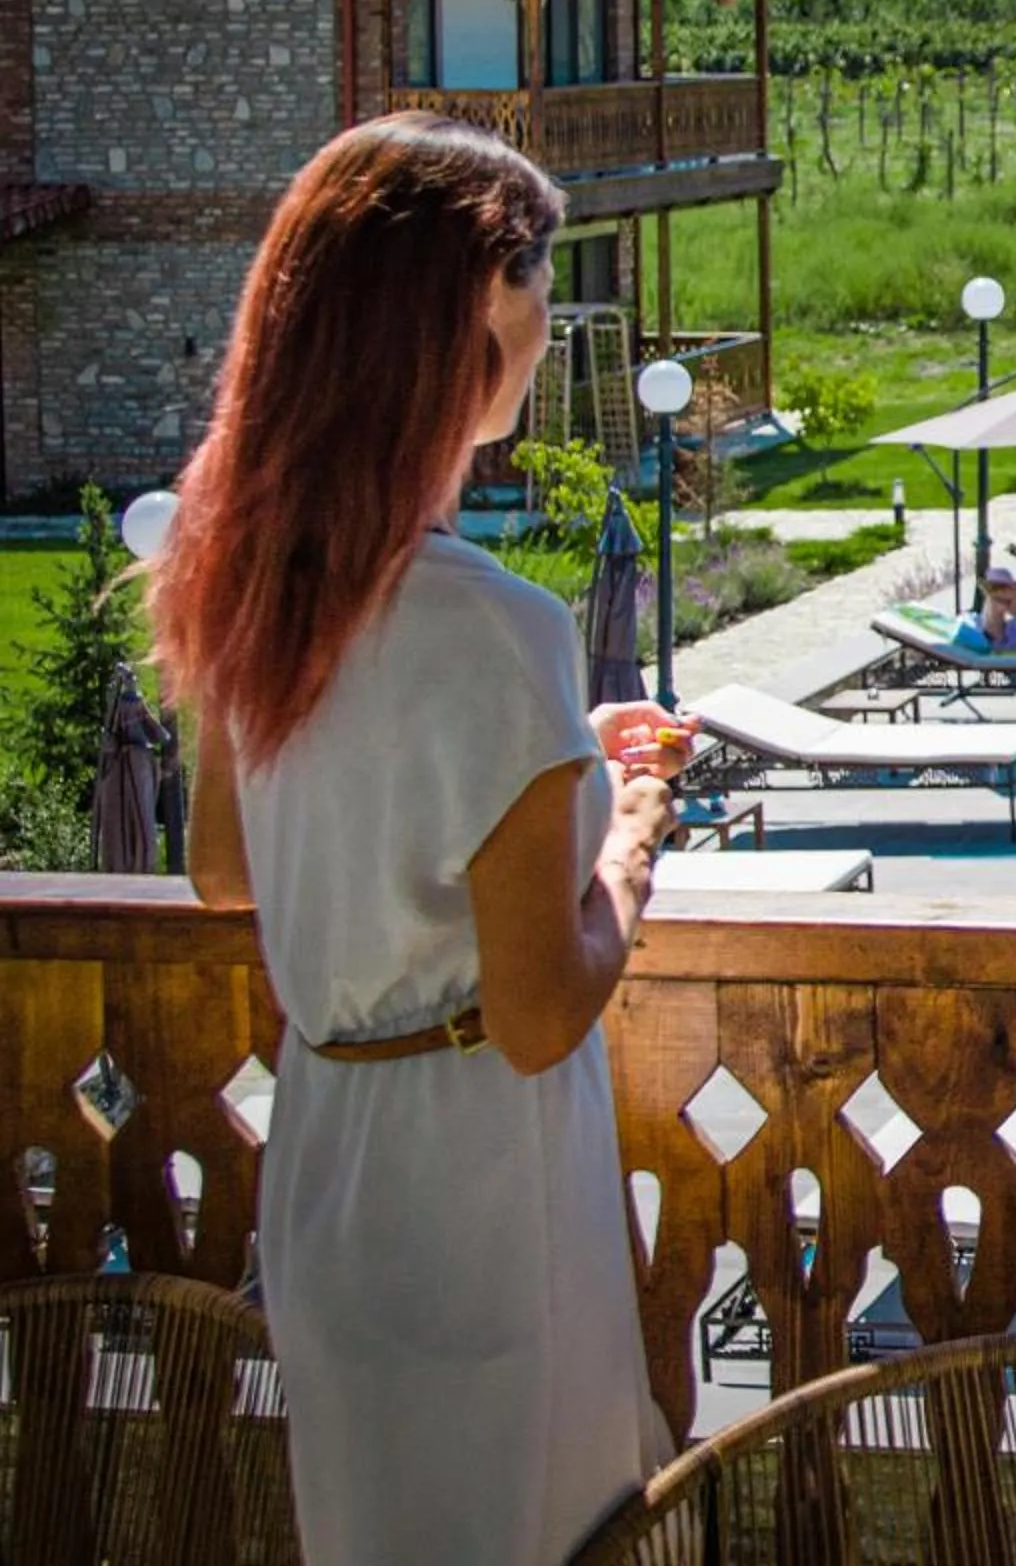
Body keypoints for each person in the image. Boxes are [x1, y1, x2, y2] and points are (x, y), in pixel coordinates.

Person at [148, 115, 688, 1564]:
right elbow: (537, 1012)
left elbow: (226, 868)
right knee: (530, 1520)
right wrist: (632, 835)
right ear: (471, 323)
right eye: (539, 282)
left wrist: (535, 772)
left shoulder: (255, 582)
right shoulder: (494, 627)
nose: (550, 322)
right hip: (479, 1174)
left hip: (330, 1151)